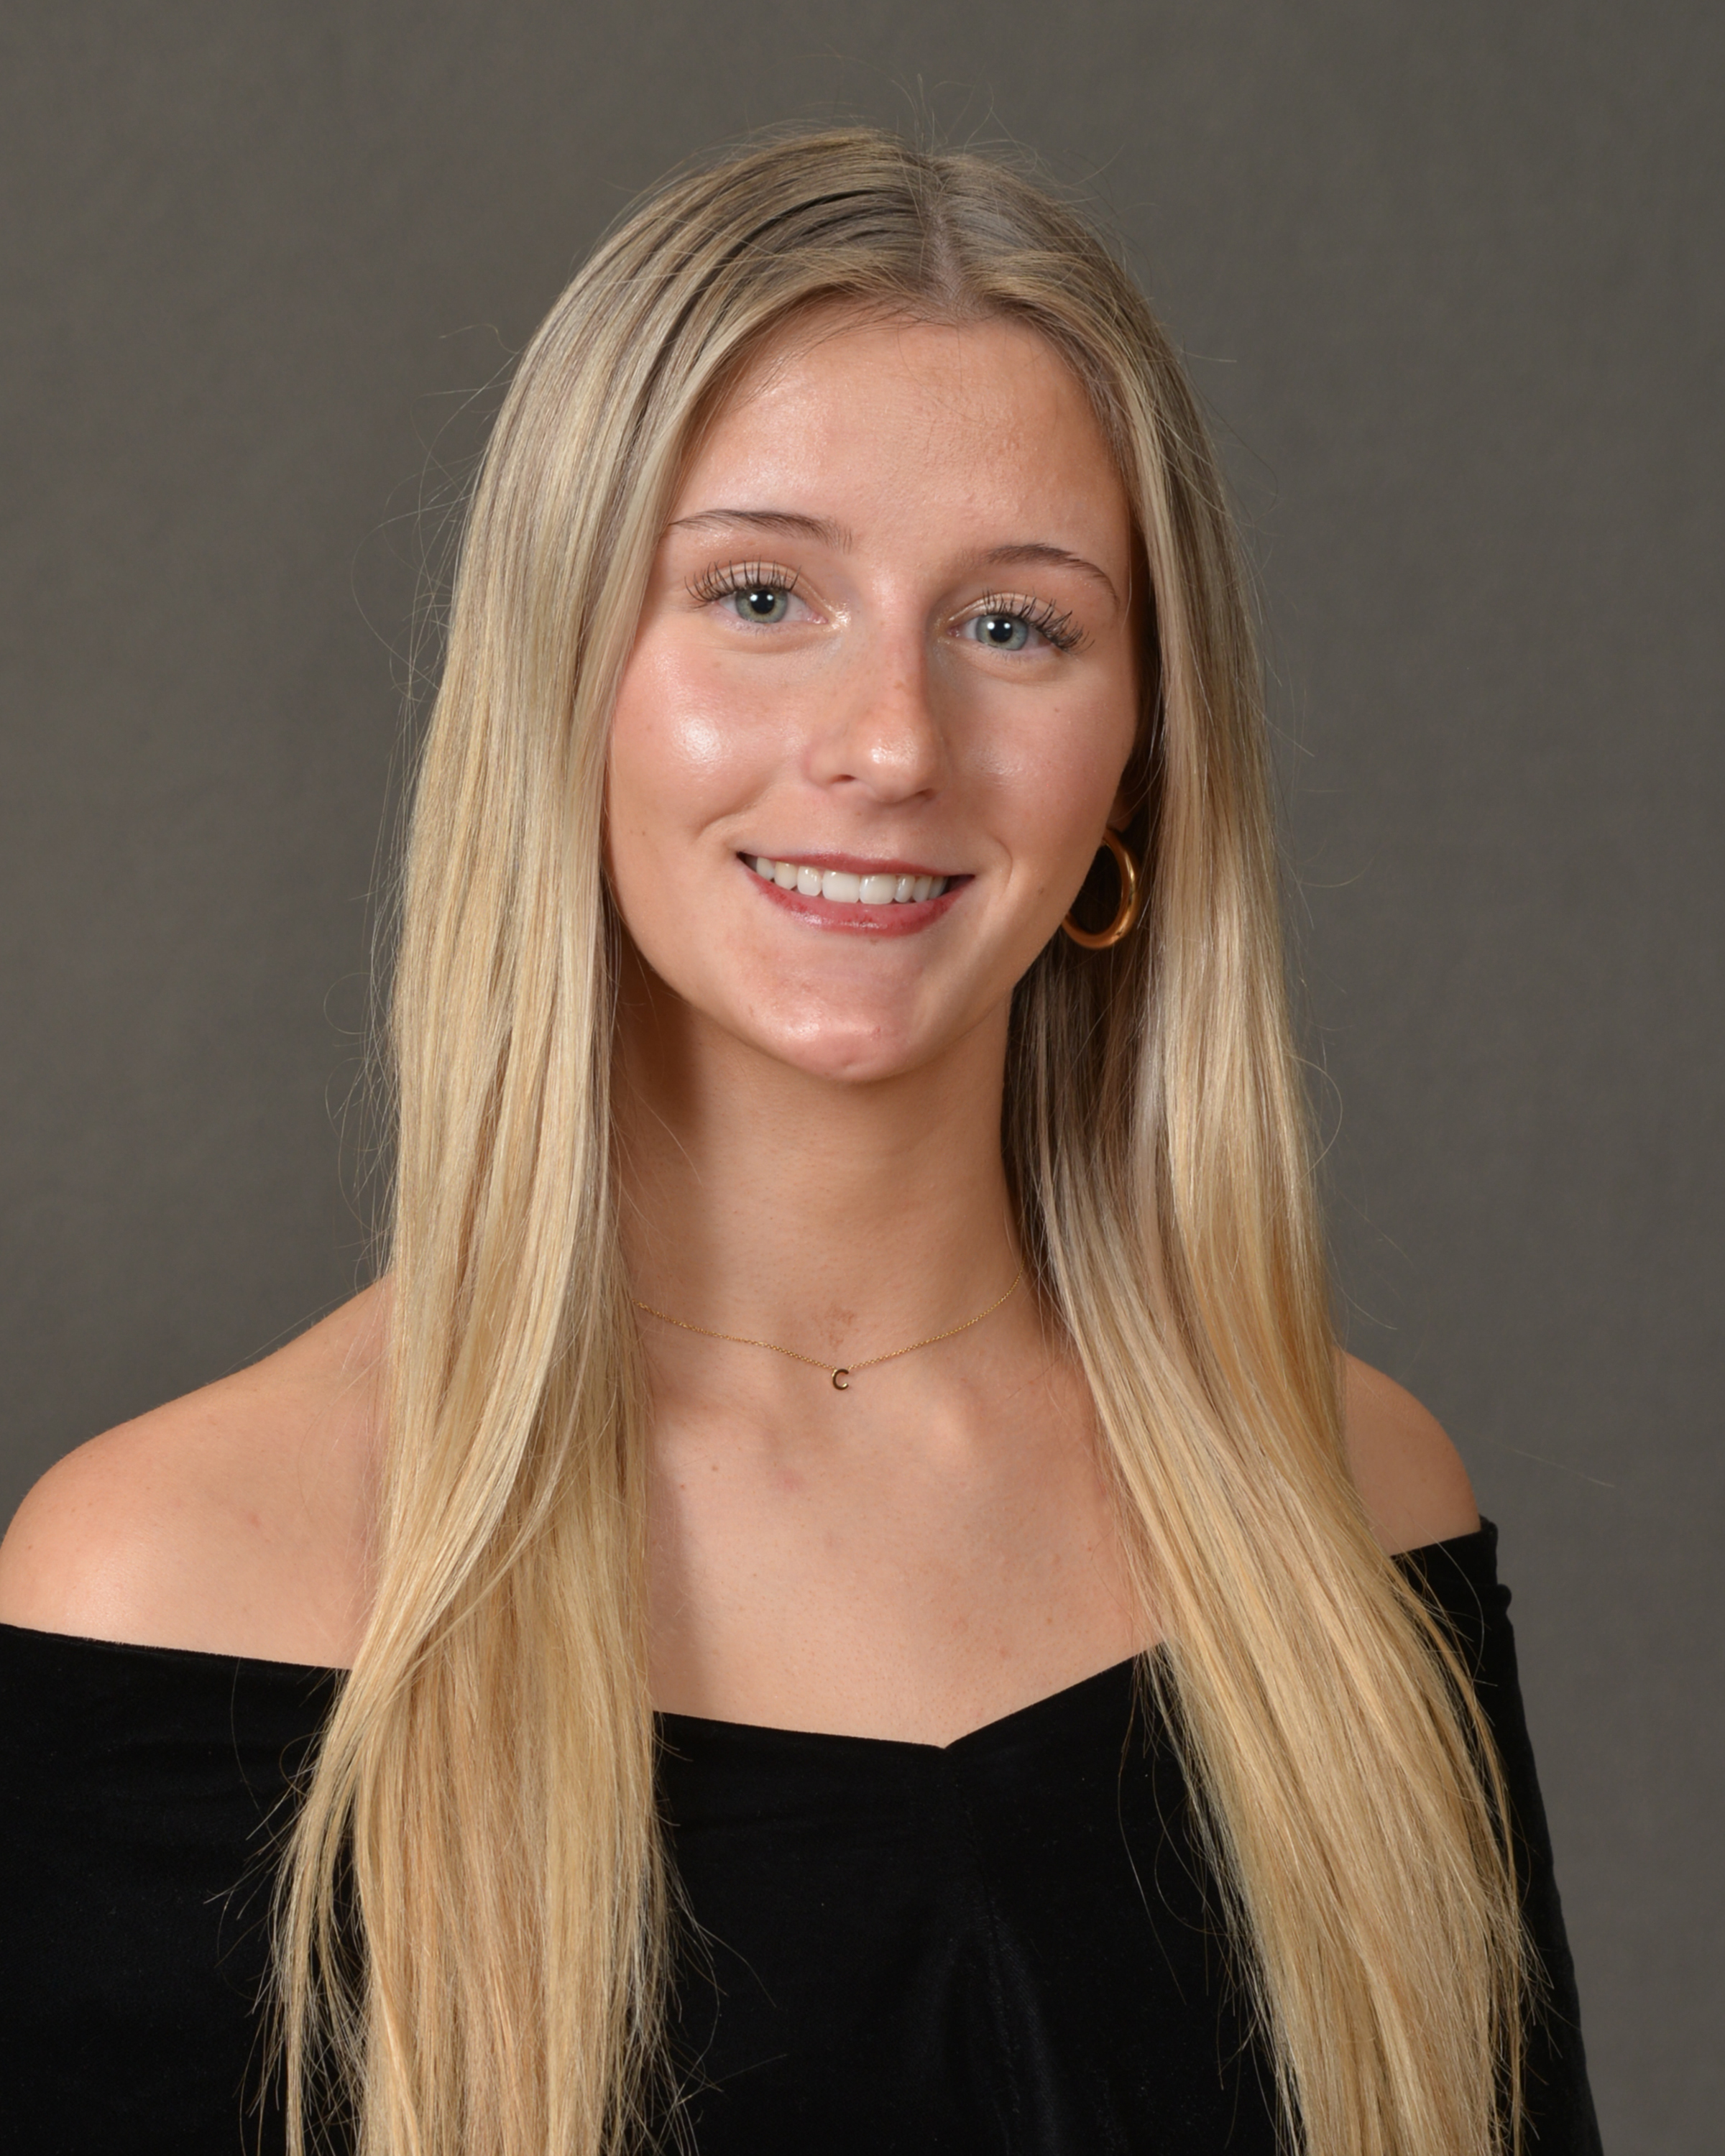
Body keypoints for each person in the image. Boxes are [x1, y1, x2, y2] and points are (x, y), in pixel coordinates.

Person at [0, 128, 1600, 2156]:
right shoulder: (173, 1590)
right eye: (761, 596)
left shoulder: (1351, 1512)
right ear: (565, 682)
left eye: (1016, 626)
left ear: (1139, 758)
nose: (894, 744)